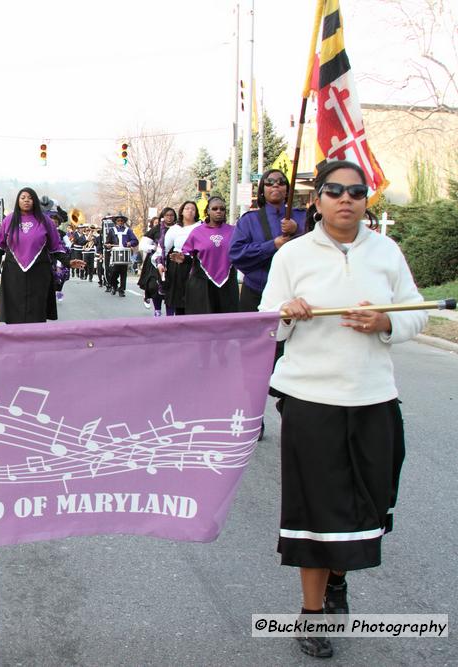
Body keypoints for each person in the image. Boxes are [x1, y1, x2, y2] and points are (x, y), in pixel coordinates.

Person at [259, 160, 427, 659]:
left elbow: (414, 309)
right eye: (334, 190)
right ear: (318, 200)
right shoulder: (292, 256)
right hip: (311, 400)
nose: (345, 199)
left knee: (366, 502)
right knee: (316, 508)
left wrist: (385, 323)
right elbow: (266, 324)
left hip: (374, 398)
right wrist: (285, 314)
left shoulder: (386, 251)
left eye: (356, 191)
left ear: (366, 200)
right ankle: (311, 613)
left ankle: (337, 579)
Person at [0, 187, 84, 324]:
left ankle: (35, 341)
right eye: (23, 198)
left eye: (30, 198)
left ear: (35, 201)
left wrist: (68, 262)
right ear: (18, 201)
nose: (26, 200)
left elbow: (55, 247)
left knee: (36, 311)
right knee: (15, 311)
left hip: (39, 272)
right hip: (13, 272)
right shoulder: (8, 220)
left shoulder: (45, 221)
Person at [230, 169, 307, 312]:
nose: (275, 185)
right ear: (262, 190)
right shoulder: (249, 220)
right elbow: (236, 254)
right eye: (269, 182)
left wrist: (298, 229)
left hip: (296, 293)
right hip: (256, 292)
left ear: (287, 190)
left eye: (281, 182)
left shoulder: (303, 217)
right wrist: (272, 245)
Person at [181, 196, 238, 315]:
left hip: (227, 283)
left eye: (222, 209)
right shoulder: (197, 232)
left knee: (227, 322)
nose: (219, 211)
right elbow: (187, 252)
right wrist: (183, 258)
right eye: (215, 208)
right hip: (202, 284)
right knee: (203, 322)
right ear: (208, 211)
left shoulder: (234, 231)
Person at [155, 200, 201, 315]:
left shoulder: (202, 227)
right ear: (181, 211)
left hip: (197, 266)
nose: (190, 211)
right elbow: (162, 249)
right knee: (180, 303)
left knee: (197, 302)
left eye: (193, 209)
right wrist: (160, 264)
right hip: (178, 268)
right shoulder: (175, 229)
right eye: (187, 208)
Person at [138, 208, 174, 316]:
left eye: (171, 215)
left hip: (173, 262)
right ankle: (157, 310)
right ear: (162, 216)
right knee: (154, 287)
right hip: (156, 262)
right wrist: (154, 247)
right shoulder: (156, 229)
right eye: (167, 215)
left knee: (171, 289)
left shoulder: (177, 229)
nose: (169, 217)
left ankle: (170, 315)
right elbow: (142, 245)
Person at [104, 215, 138, 297]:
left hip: (124, 254)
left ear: (124, 222)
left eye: (122, 221)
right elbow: (106, 243)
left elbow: (135, 240)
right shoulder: (112, 230)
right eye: (118, 221)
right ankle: (114, 286)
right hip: (114, 254)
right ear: (116, 222)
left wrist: (130, 243)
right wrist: (108, 245)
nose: (120, 222)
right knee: (113, 273)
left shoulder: (128, 230)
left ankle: (122, 290)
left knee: (123, 273)